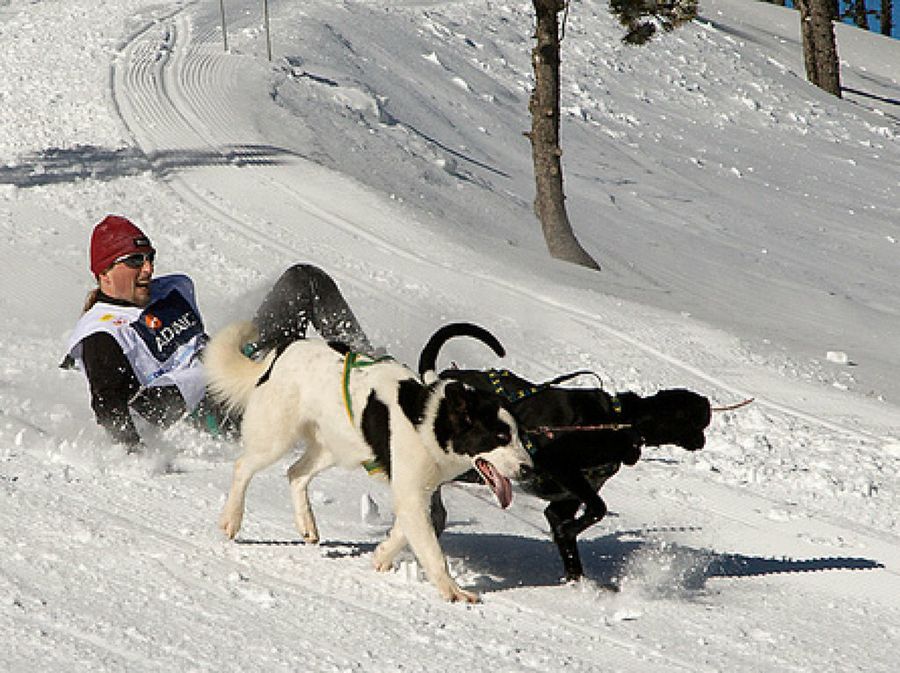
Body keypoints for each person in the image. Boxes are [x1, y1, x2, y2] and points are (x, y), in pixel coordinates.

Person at [64, 214, 373, 450]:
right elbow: (107, 405)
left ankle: (370, 371)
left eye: (149, 258)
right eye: (134, 261)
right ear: (104, 272)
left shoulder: (168, 289)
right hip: (213, 411)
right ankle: (369, 406)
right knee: (298, 369)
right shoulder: (102, 335)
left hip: (233, 368)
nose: (148, 269)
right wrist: (134, 452)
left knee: (303, 281)